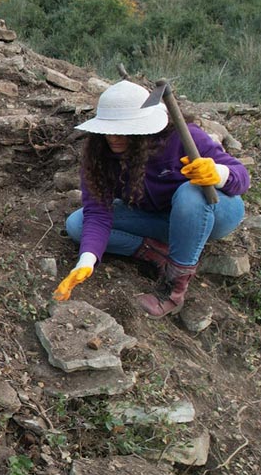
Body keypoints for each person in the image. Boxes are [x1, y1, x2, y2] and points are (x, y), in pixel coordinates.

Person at [54, 80, 249, 317]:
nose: (113, 137)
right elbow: (97, 212)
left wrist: (218, 173)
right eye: (108, 130)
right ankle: (157, 252)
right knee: (78, 224)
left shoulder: (183, 138)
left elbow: (242, 177)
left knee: (190, 193)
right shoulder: (99, 155)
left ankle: (172, 290)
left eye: (122, 130)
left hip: (212, 213)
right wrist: (86, 262)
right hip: (159, 220)